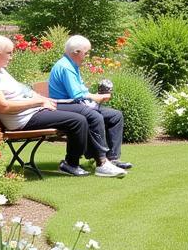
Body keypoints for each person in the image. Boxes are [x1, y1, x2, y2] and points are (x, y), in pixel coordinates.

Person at [0, 35, 102, 178]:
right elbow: (3, 107)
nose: (11, 57)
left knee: (83, 112)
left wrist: (43, 100)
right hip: (23, 119)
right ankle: (71, 164)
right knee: (77, 120)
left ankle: (99, 157)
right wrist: (38, 102)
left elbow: (22, 93)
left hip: (33, 110)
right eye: (9, 53)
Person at [48, 35, 132, 175]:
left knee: (115, 116)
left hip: (76, 104)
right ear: (76, 52)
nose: (87, 56)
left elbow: (81, 92)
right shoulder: (66, 67)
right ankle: (101, 162)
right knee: (94, 116)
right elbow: (76, 95)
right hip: (64, 106)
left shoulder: (72, 65)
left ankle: (113, 158)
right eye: (86, 53)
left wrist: (94, 98)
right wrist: (98, 97)